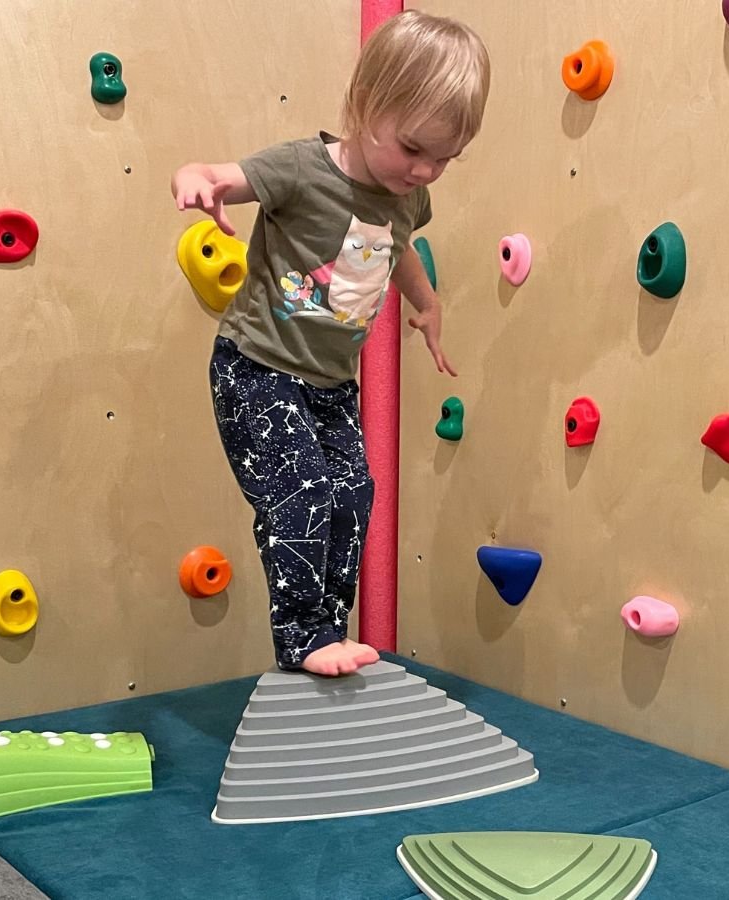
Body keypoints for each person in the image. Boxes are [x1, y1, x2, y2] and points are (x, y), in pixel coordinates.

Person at [171, 11, 490, 676]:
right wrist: (198, 180)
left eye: (445, 158)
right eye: (413, 148)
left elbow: (397, 246)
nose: (426, 170)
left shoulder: (406, 196)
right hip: (258, 368)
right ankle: (301, 637)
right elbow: (219, 173)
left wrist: (428, 303)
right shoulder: (299, 170)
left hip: (329, 383)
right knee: (305, 490)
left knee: (352, 494)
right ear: (365, 104)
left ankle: (326, 630)